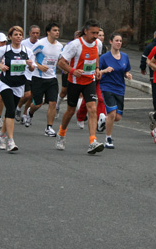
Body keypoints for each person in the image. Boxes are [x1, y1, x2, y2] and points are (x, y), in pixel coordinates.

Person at [56, 19, 105, 154]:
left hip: (90, 80)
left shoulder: (98, 43)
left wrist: (97, 68)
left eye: (97, 33)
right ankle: (61, 134)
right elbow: (61, 62)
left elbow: (96, 57)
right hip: (75, 82)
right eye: (93, 33)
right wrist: (73, 71)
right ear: (85, 31)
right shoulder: (75, 45)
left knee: (92, 109)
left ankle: (92, 141)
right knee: (71, 111)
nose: (95, 36)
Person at [0, 26, 36, 152]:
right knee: (10, 109)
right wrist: (1, 65)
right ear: (10, 37)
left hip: (19, 85)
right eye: (15, 35)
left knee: (10, 112)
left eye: (20, 35)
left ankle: (1, 134)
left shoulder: (27, 51)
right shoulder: (4, 49)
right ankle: (11, 141)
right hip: (5, 83)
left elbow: (32, 68)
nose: (18, 37)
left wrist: (30, 65)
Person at [27, 22, 63, 137]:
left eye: (58, 30)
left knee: (53, 102)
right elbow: (29, 58)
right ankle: (30, 112)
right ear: (48, 32)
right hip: (38, 77)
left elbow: (59, 60)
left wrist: (65, 68)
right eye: (54, 30)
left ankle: (49, 128)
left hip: (52, 78)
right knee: (38, 104)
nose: (57, 32)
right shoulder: (40, 44)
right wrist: (39, 66)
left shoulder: (60, 46)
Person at [99, 32, 132, 149]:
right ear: (111, 42)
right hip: (107, 87)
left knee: (117, 117)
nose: (119, 43)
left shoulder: (125, 57)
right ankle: (108, 138)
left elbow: (125, 70)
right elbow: (97, 72)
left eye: (120, 41)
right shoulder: (104, 58)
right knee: (112, 114)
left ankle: (103, 119)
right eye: (116, 40)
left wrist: (127, 74)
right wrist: (104, 70)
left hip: (120, 88)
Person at [18, 25, 40, 126]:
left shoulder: (41, 44)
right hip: (25, 72)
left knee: (31, 96)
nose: (35, 35)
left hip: (36, 73)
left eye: (37, 33)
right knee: (27, 95)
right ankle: (18, 107)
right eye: (33, 33)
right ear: (30, 33)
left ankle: (25, 113)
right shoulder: (24, 43)